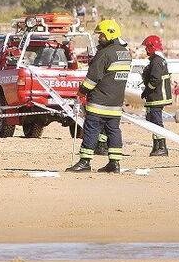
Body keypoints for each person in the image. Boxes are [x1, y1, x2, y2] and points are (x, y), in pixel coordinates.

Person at [67, 20, 131, 174]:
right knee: (114, 131)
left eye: (101, 35)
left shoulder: (104, 54)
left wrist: (81, 92)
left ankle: (85, 162)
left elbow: (92, 79)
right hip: (116, 102)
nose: (99, 38)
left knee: (91, 130)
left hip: (99, 101)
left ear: (109, 34)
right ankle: (114, 163)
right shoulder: (125, 54)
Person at [140, 35, 171, 157]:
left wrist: (147, 91)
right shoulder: (159, 60)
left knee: (157, 123)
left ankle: (161, 147)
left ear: (151, 47)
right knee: (154, 122)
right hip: (157, 96)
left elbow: (155, 80)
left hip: (157, 97)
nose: (145, 50)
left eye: (147, 47)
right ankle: (157, 146)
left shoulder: (156, 61)